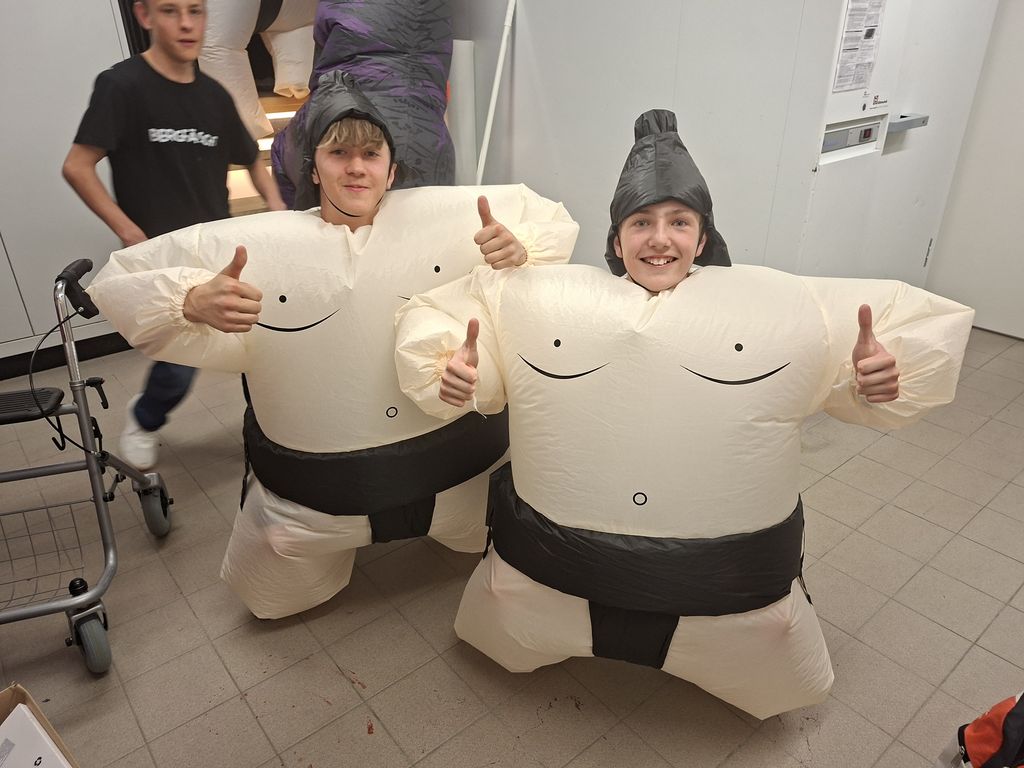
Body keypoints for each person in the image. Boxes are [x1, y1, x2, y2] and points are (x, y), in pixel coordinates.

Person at [393, 108, 974, 718]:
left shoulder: (774, 309)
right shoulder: (552, 302)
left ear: (702, 240)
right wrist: (460, 372)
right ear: (616, 240)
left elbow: (899, 333)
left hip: (724, 578)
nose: (659, 239)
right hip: (552, 559)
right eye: (641, 223)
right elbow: (458, 321)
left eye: (679, 222)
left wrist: (875, 379)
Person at [86, 71, 579, 619]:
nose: (356, 167)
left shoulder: (446, 222)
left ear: (392, 170)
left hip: (455, 464)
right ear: (314, 169)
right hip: (315, 491)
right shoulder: (268, 246)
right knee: (281, 572)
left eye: (371, 154)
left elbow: (548, 227)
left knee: (471, 519)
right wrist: (190, 301)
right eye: (339, 152)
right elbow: (120, 282)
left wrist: (520, 250)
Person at [62, 0, 286, 470]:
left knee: (255, 339)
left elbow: (252, 159)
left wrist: (278, 210)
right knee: (182, 361)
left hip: (218, 248)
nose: (186, 24)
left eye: (195, 11)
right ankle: (144, 419)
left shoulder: (214, 95)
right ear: (145, 16)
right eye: (170, 11)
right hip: (162, 257)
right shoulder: (122, 85)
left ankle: (269, 428)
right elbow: (78, 166)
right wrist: (128, 231)